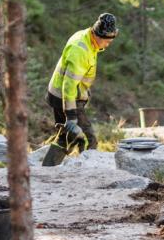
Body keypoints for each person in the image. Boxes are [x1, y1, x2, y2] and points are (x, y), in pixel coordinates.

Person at [42, 13, 118, 167]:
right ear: (98, 35)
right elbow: (69, 86)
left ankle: (48, 168)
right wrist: (71, 117)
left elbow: (78, 76)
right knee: (88, 139)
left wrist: (84, 91)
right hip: (66, 98)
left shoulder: (88, 39)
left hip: (64, 95)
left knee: (66, 137)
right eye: (107, 41)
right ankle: (88, 170)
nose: (108, 44)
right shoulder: (80, 50)